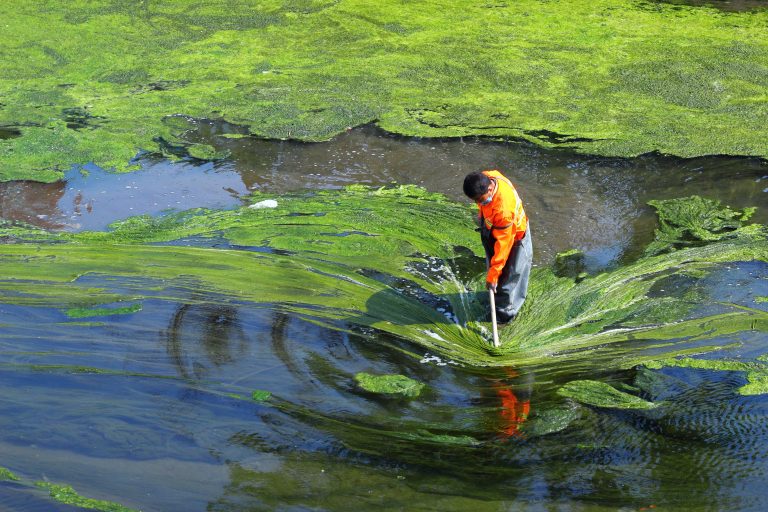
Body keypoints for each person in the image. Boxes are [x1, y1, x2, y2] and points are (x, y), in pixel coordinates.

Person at [463, 169, 532, 323]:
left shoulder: (503, 210)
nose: (478, 204)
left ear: (489, 189)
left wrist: (493, 275)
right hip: (492, 227)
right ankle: (494, 298)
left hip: (515, 238)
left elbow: (504, 246)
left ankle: (504, 314)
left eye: (480, 200)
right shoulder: (488, 176)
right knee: (496, 272)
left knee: (511, 274)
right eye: (475, 201)